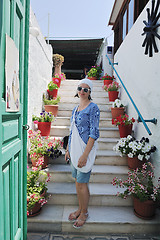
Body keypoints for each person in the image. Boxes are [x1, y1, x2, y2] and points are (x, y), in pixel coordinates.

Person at [65, 78, 100, 229]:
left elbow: (94, 133)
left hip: (85, 150)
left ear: (90, 92)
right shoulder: (75, 108)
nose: (82, 91)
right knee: (77, 181)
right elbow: (72, 131)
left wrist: (85, 155)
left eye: (85, 89)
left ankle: (84, 212)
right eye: (80, 88)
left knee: (82, 182)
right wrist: (67, 149)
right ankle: (80, 208)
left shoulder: (93, 108)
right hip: (74, 149)